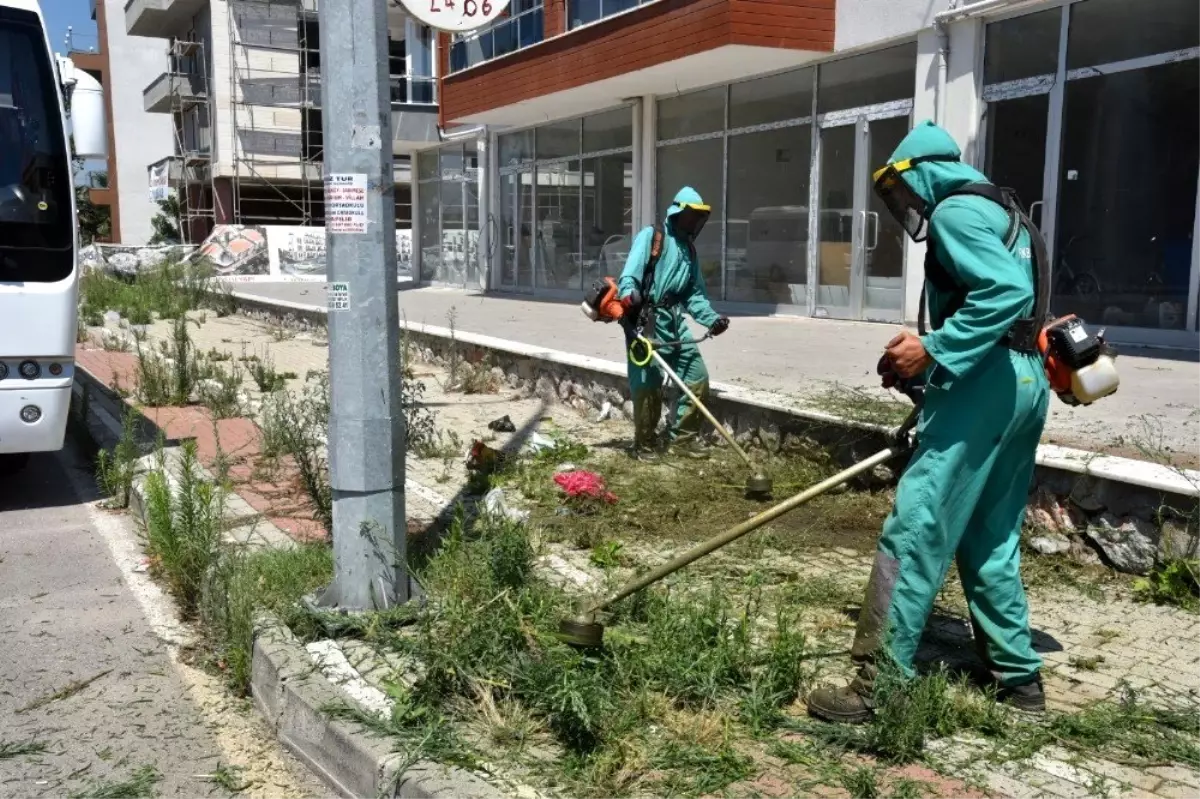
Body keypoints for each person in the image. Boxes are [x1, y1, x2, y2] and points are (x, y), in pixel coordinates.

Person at [805, 121, 1051, 723]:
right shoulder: (1009, 212)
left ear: (919, 174)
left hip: (986, 388)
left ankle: (878, 684)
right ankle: (1018, 679)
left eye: (901, 191)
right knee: (989, 537)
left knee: (916, 528)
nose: (906, 206)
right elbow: (1007, 308)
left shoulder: (954, 213)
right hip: (1024, 382)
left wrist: (934, 349)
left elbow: (1005, 292)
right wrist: (925, 371)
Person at [618, 186, 730, 457]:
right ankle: (644, 443)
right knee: (647, 383)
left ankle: (681, 440)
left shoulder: (689, 252)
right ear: (677, 213)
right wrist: (628, 294)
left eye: (698, 216)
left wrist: (712, 320)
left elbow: (694, 294)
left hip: (674, 321)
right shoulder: (653, 237)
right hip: (646, 320)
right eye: (690, 215)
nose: (694, 221)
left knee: (697, 377)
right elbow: (630, 274)